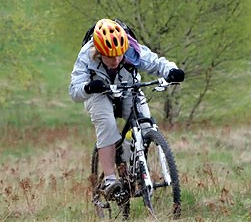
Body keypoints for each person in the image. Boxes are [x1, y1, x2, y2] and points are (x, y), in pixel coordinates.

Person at [69, 18, 185, 198]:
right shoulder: (86, 56)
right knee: (107, 123)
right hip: (98, 93)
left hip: (128, 88)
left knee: (145, 125)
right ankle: (110, 179)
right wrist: (89, 87)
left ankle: (134, 169)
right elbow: (74, 91)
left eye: (119, 54)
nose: (115, 59)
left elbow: (156, 63)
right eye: (110, 56)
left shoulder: (132, 49)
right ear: (99, 52)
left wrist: (171, 71)